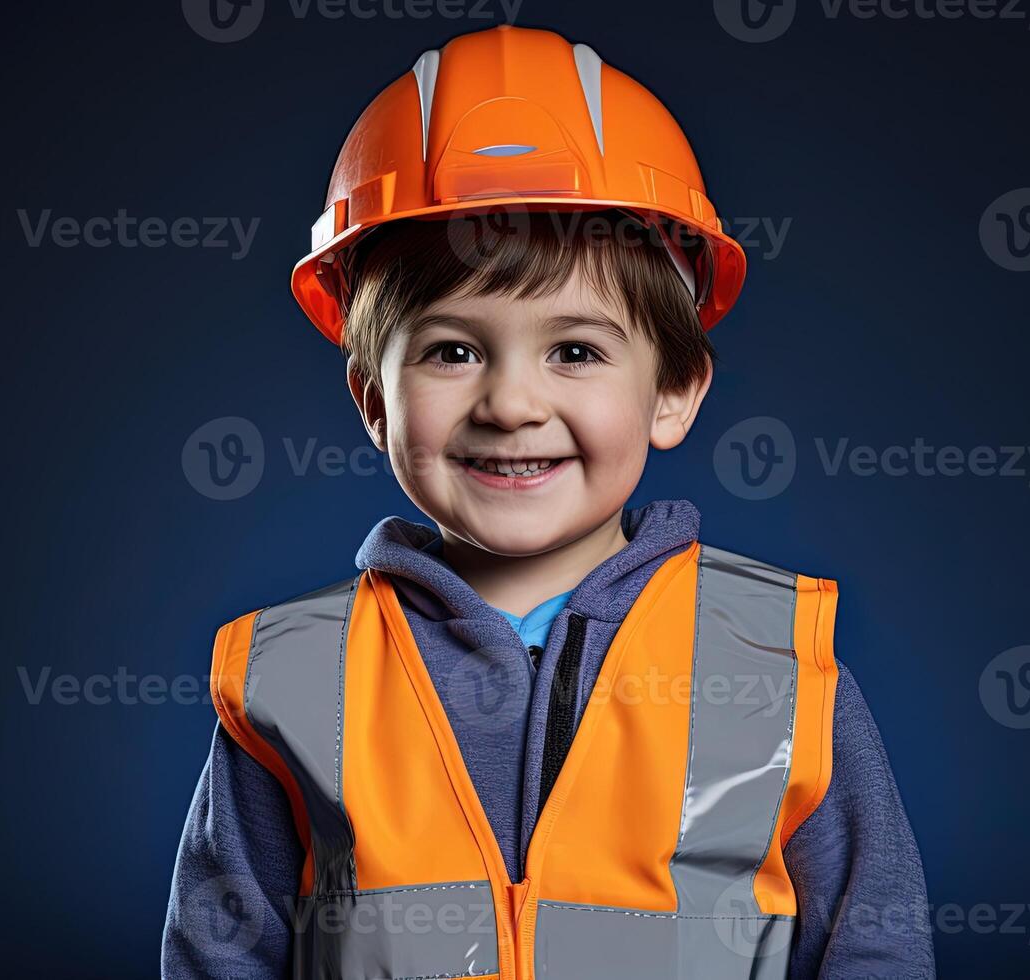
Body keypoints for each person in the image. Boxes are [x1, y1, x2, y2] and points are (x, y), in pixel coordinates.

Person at [162, 23, 932, 980]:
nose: (512, 404)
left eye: (574, 351)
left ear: (673, 393)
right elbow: (221, 953)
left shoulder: (776, 665)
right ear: (372, 398)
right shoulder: (295, 680)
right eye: (452, 350)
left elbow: (874, 942)